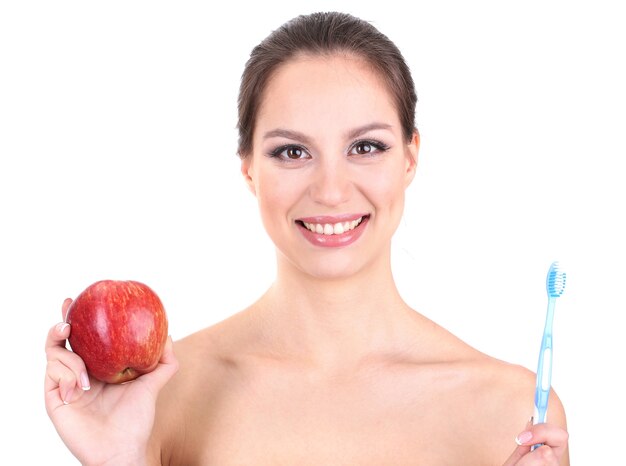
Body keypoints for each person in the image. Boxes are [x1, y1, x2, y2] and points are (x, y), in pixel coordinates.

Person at [45, 11, 569, 465]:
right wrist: (119, 461)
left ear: (410, 157)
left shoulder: (514, 410)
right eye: (292, 152)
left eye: (365, 146)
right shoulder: (164, 395)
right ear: (249, 169)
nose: (332, 190)